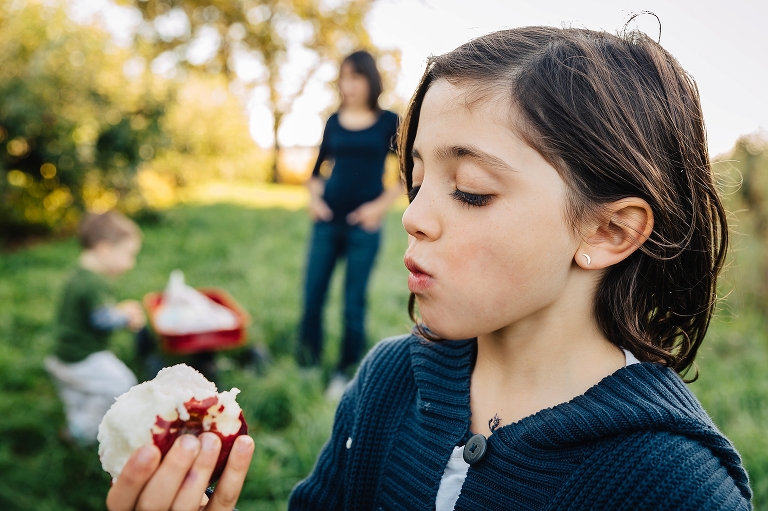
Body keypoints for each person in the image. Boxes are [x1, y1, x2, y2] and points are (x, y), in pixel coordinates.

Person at [105, 26, 752, 511]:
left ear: (608, 229)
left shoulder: (676, 484)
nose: (414, 216)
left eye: (470, 189)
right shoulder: (388, 383)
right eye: (416, 180)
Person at [298, 49, 402, 398]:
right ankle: (308, 360)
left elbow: (407, 172)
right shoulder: (333, 121)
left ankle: (345, 371)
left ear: (370, 80)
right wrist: (315, 201)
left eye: (354, 77)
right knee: (313, 293)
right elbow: (317, 172)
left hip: (364, 227)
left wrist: (377, 209)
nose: (347, 85)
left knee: (353, 302)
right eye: (343, 77)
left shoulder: (389, 121)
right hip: (327, 222)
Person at [44, 210, 154, 443]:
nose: (130, 263)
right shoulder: (95, 282)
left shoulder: (79, 274)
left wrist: (117, 310)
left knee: (77, 394)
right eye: (128, 254)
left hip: (64, 353)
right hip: (84, 355)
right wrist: (126, 318)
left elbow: (91, 312)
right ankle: (84, 432)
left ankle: (76, 421)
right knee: (122, 383)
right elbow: (101, 320)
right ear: (104, 249)